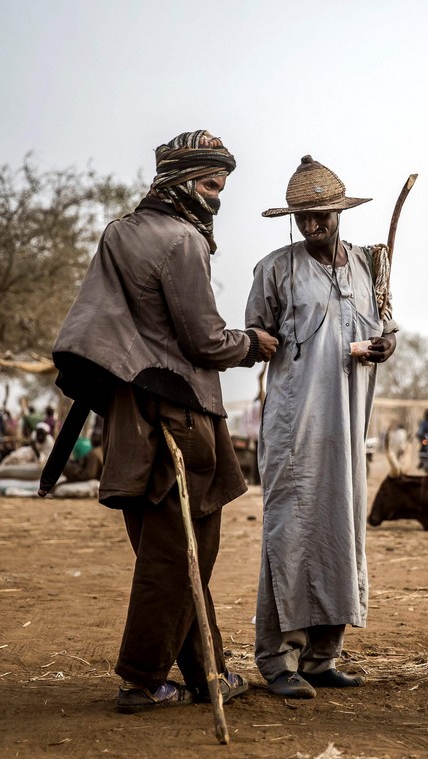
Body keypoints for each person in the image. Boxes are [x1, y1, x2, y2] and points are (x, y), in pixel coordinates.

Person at [50, 130, 277, 714]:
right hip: (179, 416)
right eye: (208, 184)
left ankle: (209, 676)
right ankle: (143, 678)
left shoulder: (118, 232)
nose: (216, 198)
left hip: (129, 415)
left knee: (176, 550)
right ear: (179, 182)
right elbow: (203, 341)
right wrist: (251, 342)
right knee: (179, 554)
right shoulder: (183, 241)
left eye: (221, 186)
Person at [246, 155, 397, 699]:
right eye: (302, 217)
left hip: (349, 426)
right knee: (290, 532)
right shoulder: (274, 269)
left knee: (341, 529)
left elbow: (387, 329)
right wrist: (257, 342)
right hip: (295, 427)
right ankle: (276, 659)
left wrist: (385, 345)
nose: (312, 225)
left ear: (339, 211)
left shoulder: (368, 266)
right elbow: (253, 340)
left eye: (320, 215)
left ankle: (321, 657)